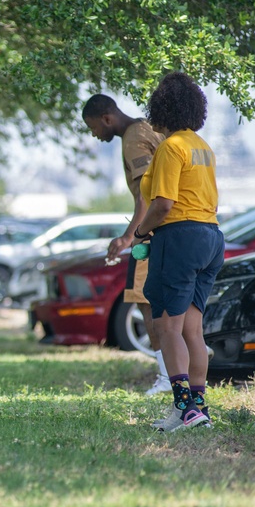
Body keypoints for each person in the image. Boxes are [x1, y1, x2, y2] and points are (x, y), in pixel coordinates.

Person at [131, 72, 224, 431]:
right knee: (192, 329)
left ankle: (184, 409)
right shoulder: (202, 146)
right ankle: (198, 408)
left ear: (161, 108)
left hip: (180, 237)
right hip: (211, 237)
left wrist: (140, 232)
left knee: (166, 327)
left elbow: (164, 204)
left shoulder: (171, 147)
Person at [82, 94, 170, 395]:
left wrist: (129, 236)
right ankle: (181, 367)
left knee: (145, 302)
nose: (95, 134)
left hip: (153, 234)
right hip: (170, 230)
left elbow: (147, 195)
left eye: (93, 127)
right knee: (166, 303)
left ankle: (167, 377)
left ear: (107, 119)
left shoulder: (132, 138)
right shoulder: (148, 128)